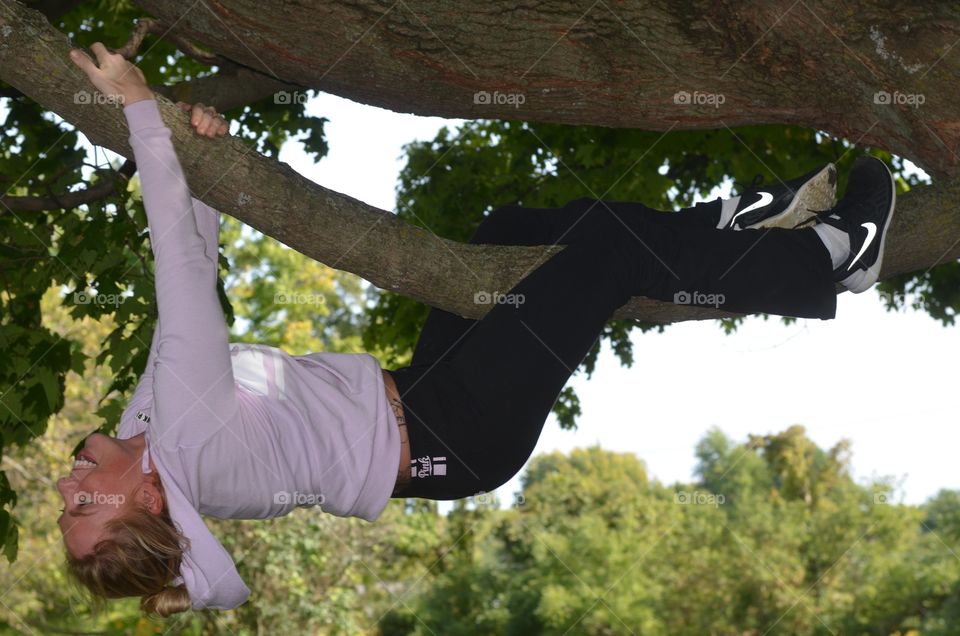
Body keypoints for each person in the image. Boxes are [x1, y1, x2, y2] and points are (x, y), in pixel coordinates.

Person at [58, 42, 896, 616]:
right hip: (456, 434)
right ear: (149, 497)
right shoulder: (192, 439)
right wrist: (139, 113)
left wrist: (204, 164)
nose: (65, 490)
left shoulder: (147, 431)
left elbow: (191, 277)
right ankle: (833, 257)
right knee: (606, 258)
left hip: (421, 393)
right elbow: (179, 275)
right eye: (84, 508)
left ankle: (736, 224)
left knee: (504, 235)